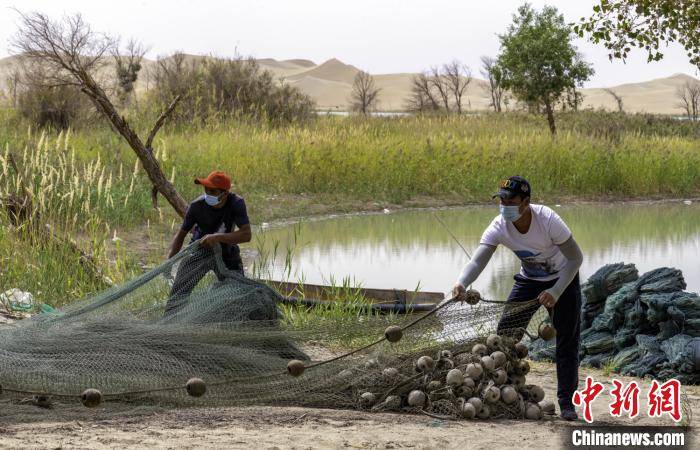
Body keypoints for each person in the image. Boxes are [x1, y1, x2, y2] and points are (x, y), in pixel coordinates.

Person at [452, 176, 583, 421]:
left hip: (564, 279)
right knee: (504, 337)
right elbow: (478, 260)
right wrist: (461, 282)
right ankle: (500, 390)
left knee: (567, 340)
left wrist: (555, 292)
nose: (504, 204)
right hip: (529, 280)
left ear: (526, 202)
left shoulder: (548, 220)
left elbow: (576, 258)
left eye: (509, 199)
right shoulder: (499, 225)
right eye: (500, 199)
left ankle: (567, 403)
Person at [165, 170, 252, 315]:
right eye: (206, 189)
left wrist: (217, 237)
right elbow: (181, 235)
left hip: (226, 253)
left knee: (237, 294)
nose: (207, 193)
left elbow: (246, 235)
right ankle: (169, 323)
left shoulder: (236, 203)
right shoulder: (196, 206)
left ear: (224, 193)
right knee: (178, 293)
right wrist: (170, 260)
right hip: (198, 252)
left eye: (212, 191)